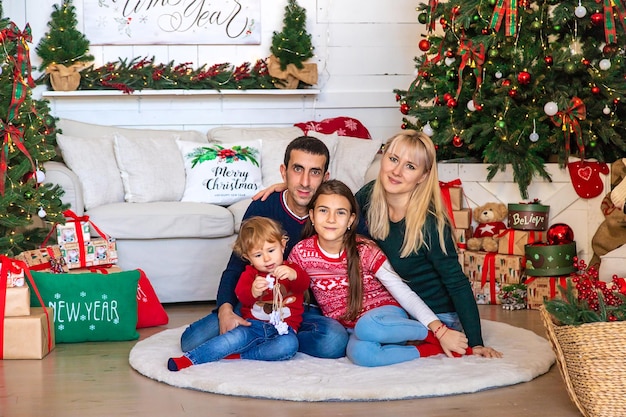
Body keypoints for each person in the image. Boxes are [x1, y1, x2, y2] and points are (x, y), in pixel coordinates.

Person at [180, 136, 349, 359]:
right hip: (258, 302)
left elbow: (361, 216)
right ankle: (270, 338)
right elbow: (235, 266)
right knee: (192, 341)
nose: (305, 182)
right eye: (297, 169)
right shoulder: (264, 205)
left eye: (314, 172)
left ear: (325, 177)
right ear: (283, 171)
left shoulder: (333, 213)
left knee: (334, 341)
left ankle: (268, 339)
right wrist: (225, 310)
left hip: (301, 309)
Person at [287, 179, 470, 367]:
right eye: (323, 210)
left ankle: (431, 336)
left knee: (368, 327)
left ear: (351, 220)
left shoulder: (365, 249)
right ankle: (426, 350)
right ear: (311, 215)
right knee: (360, 354)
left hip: (384, 317)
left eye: (340, 212)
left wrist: (439, 329)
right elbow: (286, 291)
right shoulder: (302, 252)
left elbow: (402, 290)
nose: (331, 219)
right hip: (351, 329)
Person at [355, 130, 502, 358]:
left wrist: (476, 342)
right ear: (383, 158)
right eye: (393, 159)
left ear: (423, 176)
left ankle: (434, 339)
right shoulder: (369, 196)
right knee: (360, 344)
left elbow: (457, 283)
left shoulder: (431, 223)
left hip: (437, 315)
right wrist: (285, 190)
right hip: (397, 306)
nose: (396, 171)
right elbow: (333, 213)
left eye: (410, 166)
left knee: (370, 330)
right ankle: (421, 344)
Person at [168, 217, 310, 371]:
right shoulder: (249, 274)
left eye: (271, 250)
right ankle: (190, 359)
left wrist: (294, 275)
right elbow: (242, 297)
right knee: (230, 339)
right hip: (252, 326)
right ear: (248, 257)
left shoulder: (291, 269)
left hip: (284, 329)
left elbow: (303, 285)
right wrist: (253, 291)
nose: (267, 259)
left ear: (282, 246)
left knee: (289, 346)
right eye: (258, 255)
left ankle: (240, 356)